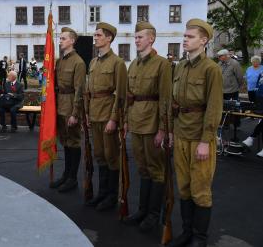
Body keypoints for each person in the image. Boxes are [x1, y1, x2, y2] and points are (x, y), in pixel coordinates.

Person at [169, 19, 222, 247]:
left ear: (203, 41)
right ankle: (187, 232)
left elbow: (213, 107)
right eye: (185, 36)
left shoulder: (211, 69)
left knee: (200, 189)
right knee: (183, 187)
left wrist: (205, 140)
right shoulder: (180, 66)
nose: (185, 39)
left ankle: (200, 238)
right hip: (181, 133)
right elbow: (174, 102)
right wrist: (171, 131)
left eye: (190, 37)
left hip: (199, 138)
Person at [122, 22, 172, 232]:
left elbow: (165, 99)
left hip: (152, 124)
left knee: (156, 170)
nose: (137, 40)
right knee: (142, 169)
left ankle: (153, 215)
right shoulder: (133, 64)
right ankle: (143, 210)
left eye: (140, 37)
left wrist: (163, 129)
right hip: (136, 122)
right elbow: (128, 96)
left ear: (151, 38)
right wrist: (125, 120)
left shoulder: (162, 64)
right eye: (135, 37)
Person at [84, 22, 127, 211]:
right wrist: (86, 112)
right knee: (99, 155)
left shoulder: (117, 63)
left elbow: (120, 94)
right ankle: (102, 193)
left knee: (111, 156)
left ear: (109, 38)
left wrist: (114, 118)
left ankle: (111, 196)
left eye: (99, 35)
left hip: (108, 115)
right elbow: (88, 91)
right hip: (94, 114)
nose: (96, 37)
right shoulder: (93, 62)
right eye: (95, 34)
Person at [49, 27, 86, 193]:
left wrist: (75, 113)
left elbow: (79, 90)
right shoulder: (60, 61)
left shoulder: (78, 62)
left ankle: (72, 178)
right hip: (60, 105)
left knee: (74, 142)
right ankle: (66, 174)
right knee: (65, 142)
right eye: (60, 38)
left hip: (71, 105)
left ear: (72, 40)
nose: (60, 40)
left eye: (63, 38)